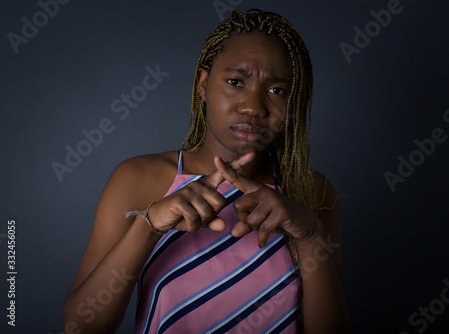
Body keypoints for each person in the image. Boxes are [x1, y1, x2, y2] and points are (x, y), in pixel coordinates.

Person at [62, 9, 351, 333]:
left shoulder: (310, 191)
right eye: (235, 81)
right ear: (203, 83)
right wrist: (150, 225)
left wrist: (310, 235)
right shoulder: (140, 178)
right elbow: (80, 326)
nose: (253, 107)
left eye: (276, 90)